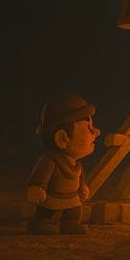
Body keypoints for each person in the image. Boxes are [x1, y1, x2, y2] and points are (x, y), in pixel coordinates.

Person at [26, 93, 100, 235]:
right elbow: (40, 176)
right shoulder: (50, 161)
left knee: (73, 212)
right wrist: (37, 187)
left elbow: (79, 177)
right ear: (63, 138)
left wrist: (82, 187)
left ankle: (70, 224)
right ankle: (41, 223)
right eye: (89, 127)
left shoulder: (75, 163)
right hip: (52, 196)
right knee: (47, 211)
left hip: (72, 197)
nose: (96, 132)